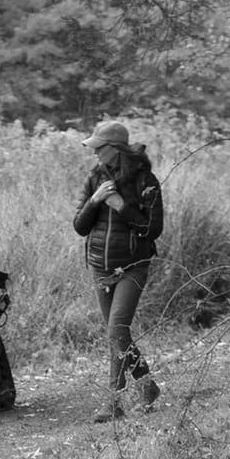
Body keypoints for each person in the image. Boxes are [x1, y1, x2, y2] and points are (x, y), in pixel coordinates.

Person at [73, 120, 164, 422]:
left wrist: (121, 205)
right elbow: (79, 226)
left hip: (133, 266)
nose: (95, 154)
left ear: (116, 150)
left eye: (99, 148)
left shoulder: (145, 180)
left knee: (116, 332)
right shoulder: (94, 178)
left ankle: (113, 403)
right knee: (117, 336)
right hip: (100, 267)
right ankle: (148, 386)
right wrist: (96, 200)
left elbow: (152, 229)